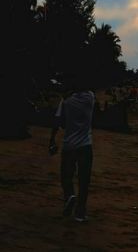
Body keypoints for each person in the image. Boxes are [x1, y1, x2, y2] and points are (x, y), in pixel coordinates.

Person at [48, 79, 95, 222]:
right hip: (85, 145)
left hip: (69, 146)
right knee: (84, 180)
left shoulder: (67, 101)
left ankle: (69, 195)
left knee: (66, 176)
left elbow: (58, 122)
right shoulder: (90, 98)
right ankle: (80, 213)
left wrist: (52, 140)